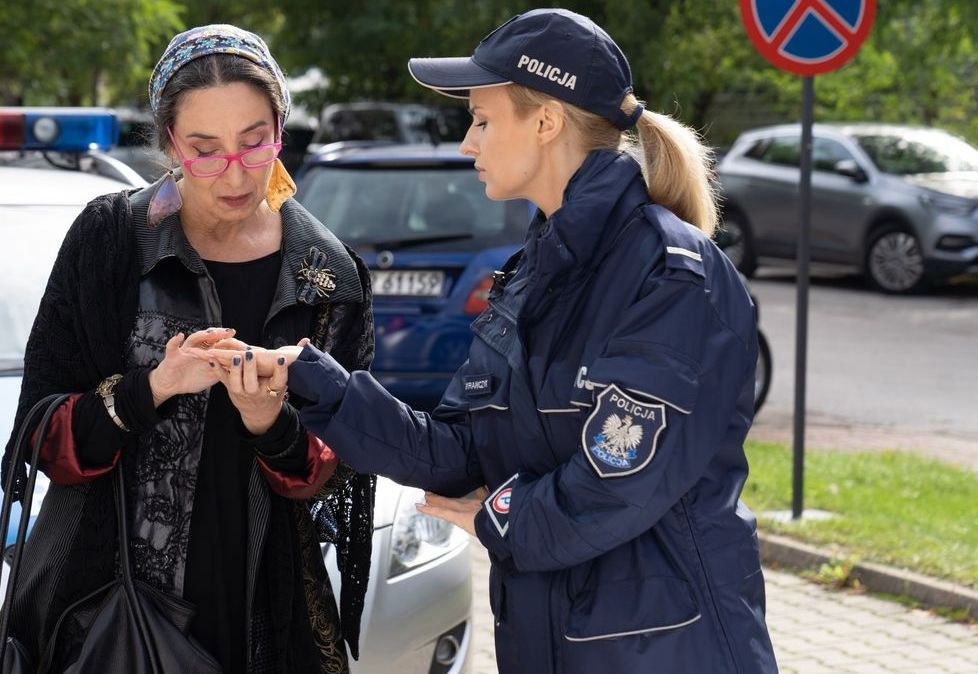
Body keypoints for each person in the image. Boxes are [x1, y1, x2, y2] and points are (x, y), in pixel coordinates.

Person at [200, 9, 778, 674]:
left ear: (546, 120)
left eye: (481, 119)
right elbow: (463, 448)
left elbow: (616, 485)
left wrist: (499, 513)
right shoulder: (533, 273)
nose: (468, 144)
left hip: (669, 653)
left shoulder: (673, 278)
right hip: (546, 641)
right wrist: (313, 378)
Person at [0, 24, 376, 674]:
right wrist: (148, 391)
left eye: (255, 144)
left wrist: (271, 425)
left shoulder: (327, 275)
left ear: (280, 128)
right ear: (170, 142)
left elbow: (338, 470)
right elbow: (39, 437)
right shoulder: (110, 242)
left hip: (263, 615)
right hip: (107, 616)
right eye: (205, 151)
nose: (234, 173)